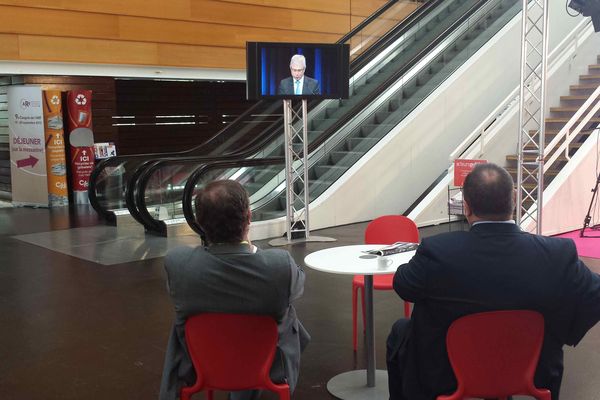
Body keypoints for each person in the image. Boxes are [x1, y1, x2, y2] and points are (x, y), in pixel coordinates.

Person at [386, 163, 600, 400]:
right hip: (533, 373)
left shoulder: (438, 251)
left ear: (466, 206)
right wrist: (560, 329)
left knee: (400, 330)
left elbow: (404, 285)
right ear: (515, 200)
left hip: (446, 377)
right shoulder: (558, 255)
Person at [159, 179, 310, 400]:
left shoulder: (178, 264)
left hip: (200, 364)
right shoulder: (278, 266)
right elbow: (298, 285)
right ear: (248, 217)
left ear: (200, 223)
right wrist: (252, 250)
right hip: (268, 367)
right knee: (286, 313)